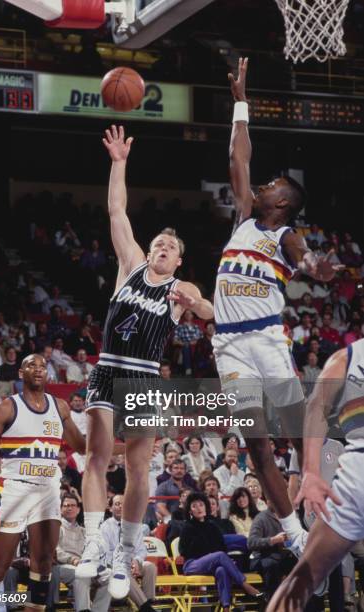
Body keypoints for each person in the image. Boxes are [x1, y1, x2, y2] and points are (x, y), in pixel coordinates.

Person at [212, 57, 343, 557]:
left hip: (267, 341)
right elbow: (238, 158)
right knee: (257, 444)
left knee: (303, 433)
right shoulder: (243, 216)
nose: (262, 185)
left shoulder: (286, 233)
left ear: (284, 202)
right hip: (230, 348)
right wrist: (240, 102)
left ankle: (338, 486)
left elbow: (303, 257)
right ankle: (293, 532)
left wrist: (315, 266)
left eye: (272, 186)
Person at [77, 125, 213, 599]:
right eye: (158, 243)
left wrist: (193, 304)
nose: (161, 248)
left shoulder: (181, 288)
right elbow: (117, 210)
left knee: (138, 471)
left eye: (169, 247)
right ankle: (95, 540)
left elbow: (211, 311)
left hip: (146, 379)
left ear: (179, 260)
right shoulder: (131, 265)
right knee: (96, 456)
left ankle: (126, 552)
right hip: (109, 367)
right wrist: (118, 163)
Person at [0, 353, 86, 612]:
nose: (38, 369)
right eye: (31, 365)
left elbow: (83, 446)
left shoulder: (60, 407)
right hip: (14, 490)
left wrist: (127, 446)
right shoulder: (6, 407)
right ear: (20, 373)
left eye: (42, 365)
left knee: (44, 563)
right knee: (0, 566)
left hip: (48, 492)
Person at [266, 338, 364, 610]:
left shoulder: (344, 358)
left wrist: (310, 472)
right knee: (304, 578)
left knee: (302, 580)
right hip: (350, 486)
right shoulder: (345, 358)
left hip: (354, 481)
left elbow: (315, 407)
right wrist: (308, 471)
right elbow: (315, 407)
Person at [179, 492, 265, 611]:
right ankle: (246, 586)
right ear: (190, 511)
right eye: (194, 506)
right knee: (219, 556)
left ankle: (225, 607)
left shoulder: (212, 526)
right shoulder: (187, 528)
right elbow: (184, 551)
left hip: (213, 563)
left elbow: (222, 547)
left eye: (201, 505)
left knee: (222, 570)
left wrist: (220, 559)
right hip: (192, 564)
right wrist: (210, 554)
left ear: (206, 507)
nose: (199, 508)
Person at [53, 494, 110, 612]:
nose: (69, 508)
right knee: (82, 575)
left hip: (84, 565)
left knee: (110, 576)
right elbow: (55, 550)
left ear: (78, 510)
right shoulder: (56, 528)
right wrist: (72, 560)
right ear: (60, 509)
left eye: (73, 505)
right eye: (66, 506)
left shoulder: (84, 531)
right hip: (62, 566)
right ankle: (84, 609)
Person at [101, 495, 157, 612]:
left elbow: (141, 550)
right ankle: (146, 608)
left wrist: (136, 561)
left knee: (150, 567)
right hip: (113, 567)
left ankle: (148, 602)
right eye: (117, 504)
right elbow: (106, 555)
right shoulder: (105, 527)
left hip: (132, 564)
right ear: (110, 508)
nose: (121, 506)